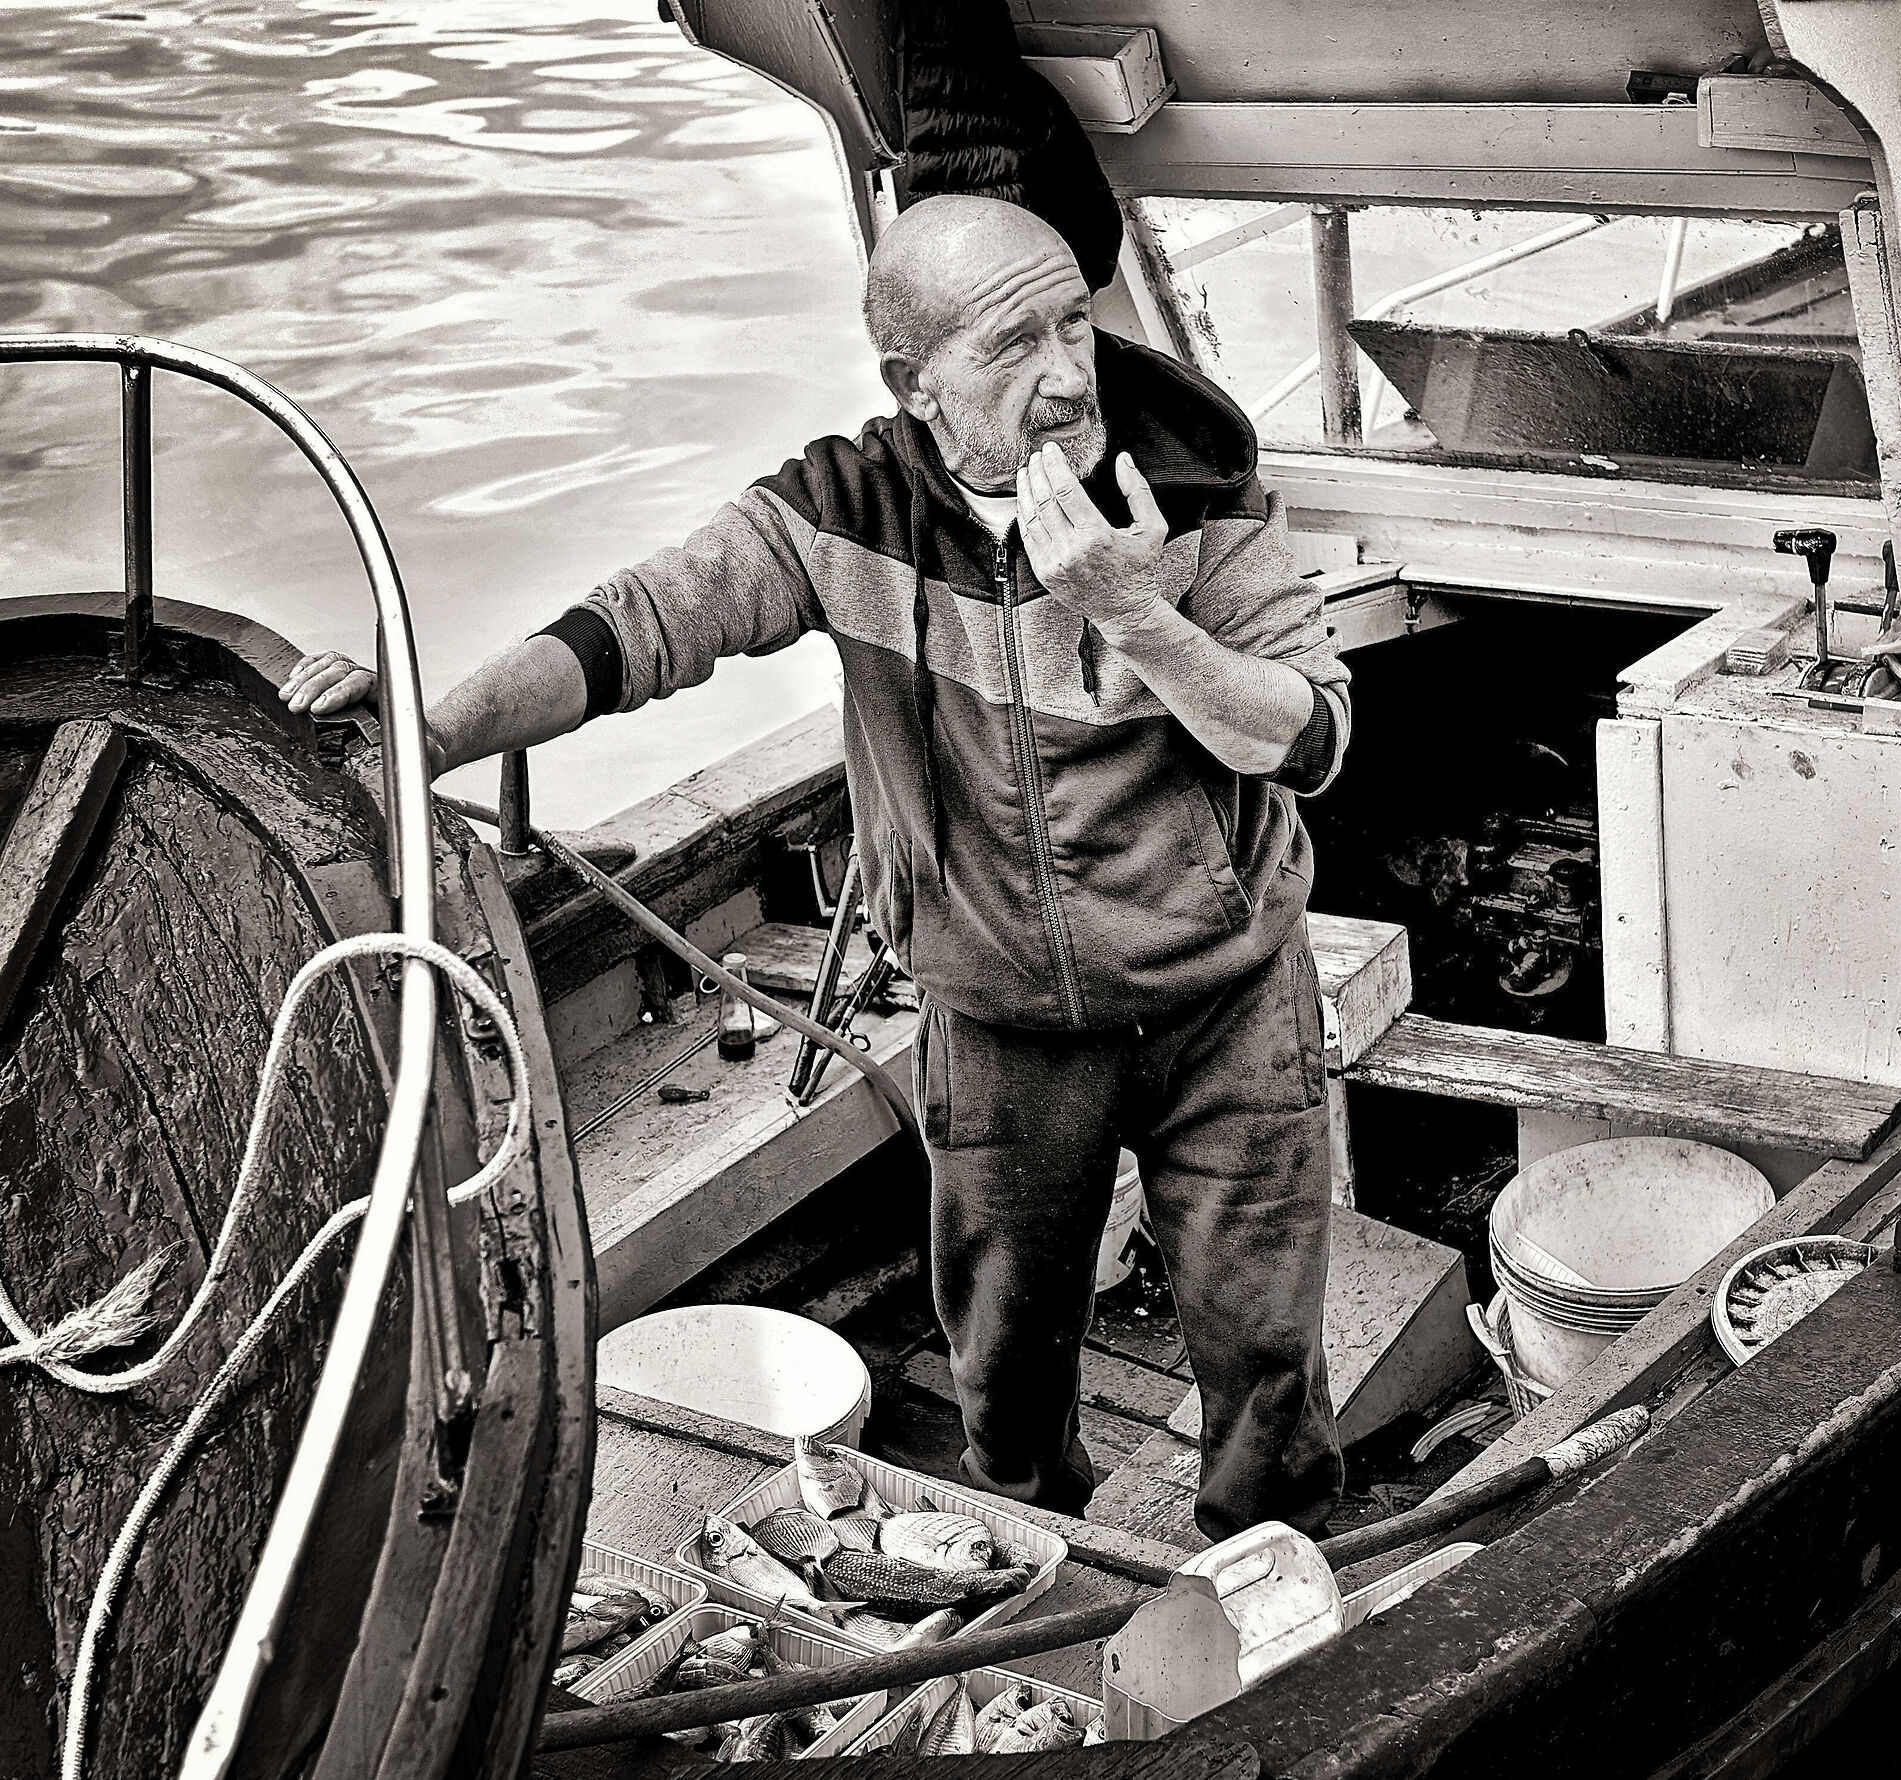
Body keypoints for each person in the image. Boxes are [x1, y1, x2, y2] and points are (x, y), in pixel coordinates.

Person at [282, 195, 1350, 1540]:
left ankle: (1284, 1595)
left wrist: (1133, 612)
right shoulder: (843, 509)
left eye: (1077, 318)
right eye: (1014, 343)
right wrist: (428, 725)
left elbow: (1309, 737)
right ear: (917, 385)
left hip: (1226, 1005)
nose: (1070, 372)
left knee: (1265, 1365)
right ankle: (1029, 1593)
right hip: (1001, 1021)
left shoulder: (1195, 489)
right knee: (1007, 1385)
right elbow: (641, 626)